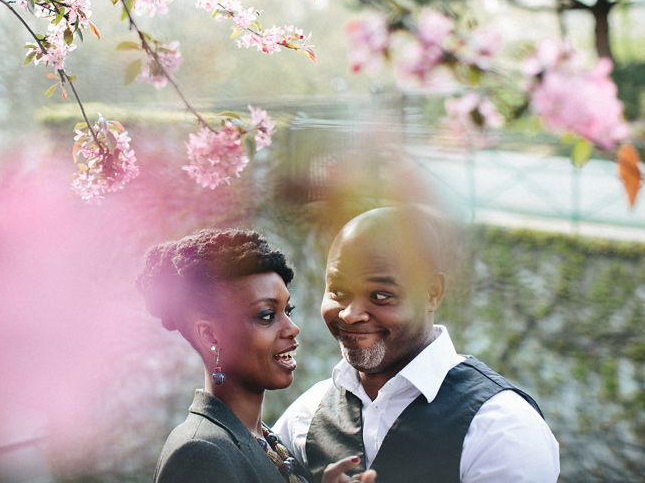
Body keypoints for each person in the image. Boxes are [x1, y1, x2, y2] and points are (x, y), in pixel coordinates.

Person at [274, 207, 560, 483]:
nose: (350, 313)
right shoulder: (307, 416)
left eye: (380, 295)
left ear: (432, 293)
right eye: (338, 291)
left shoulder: (502, 427)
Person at [138, 229, 376, 483]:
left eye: (288, 310)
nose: (292, 328)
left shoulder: (266, 440)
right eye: (266, 315)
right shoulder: (201, 452)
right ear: (209, 336)